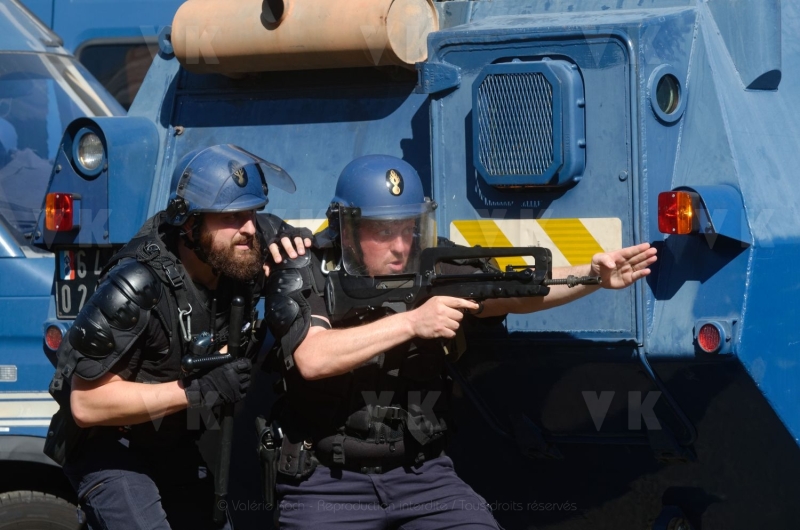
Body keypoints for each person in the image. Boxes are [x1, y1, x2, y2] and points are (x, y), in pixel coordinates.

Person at [263, 154, 658, 529]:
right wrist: (413, 322)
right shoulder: (307, 269)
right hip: (327, 482)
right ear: (347, 230)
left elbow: (511, 292)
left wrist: (591, 276)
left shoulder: (433, 263)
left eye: (407, 228)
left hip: (422, 476)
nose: (400, 246)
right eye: (383, 231)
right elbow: (312, 358)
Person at [45, 144, 309, 530]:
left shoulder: (244, 242)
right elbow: (86, 404)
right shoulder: (138, 283)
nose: (250, 228)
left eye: (253, 212)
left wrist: (302, 244)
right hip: (111, 446)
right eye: (232, 216)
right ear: (189, 225)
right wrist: (195, 393)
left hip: (175, 441)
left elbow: (308, 238)